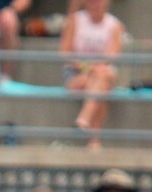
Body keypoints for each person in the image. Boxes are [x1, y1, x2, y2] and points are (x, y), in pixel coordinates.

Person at [60, 0, 123, 148]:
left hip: (103, 73)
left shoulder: (115, 25)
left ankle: (83, 120)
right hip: (78, 74)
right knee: (101, 87)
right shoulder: (75, 20)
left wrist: (96, 69)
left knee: (102, 78)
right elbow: (65, 53)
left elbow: (111, 56)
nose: (96, 4)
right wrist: (89, 67)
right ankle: (94, 141)